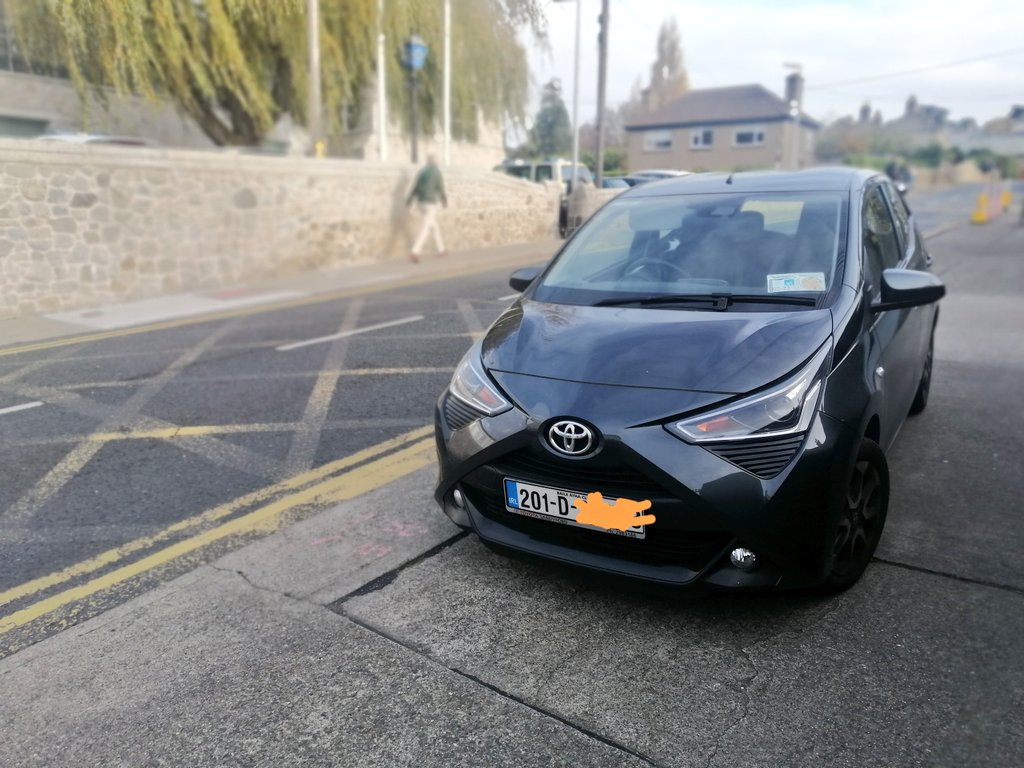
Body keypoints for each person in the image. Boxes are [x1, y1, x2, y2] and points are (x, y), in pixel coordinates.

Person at [406, 155, 448, 263]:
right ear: (435, 162)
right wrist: (444, 200)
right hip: (431, 203)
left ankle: (441, 249)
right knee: (426, 228)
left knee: (434, 226)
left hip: (421, 203)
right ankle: (415, 251)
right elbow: (441, 187)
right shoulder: (436, 172)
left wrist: (409, 201)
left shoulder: (422, 172)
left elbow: (415, 188)